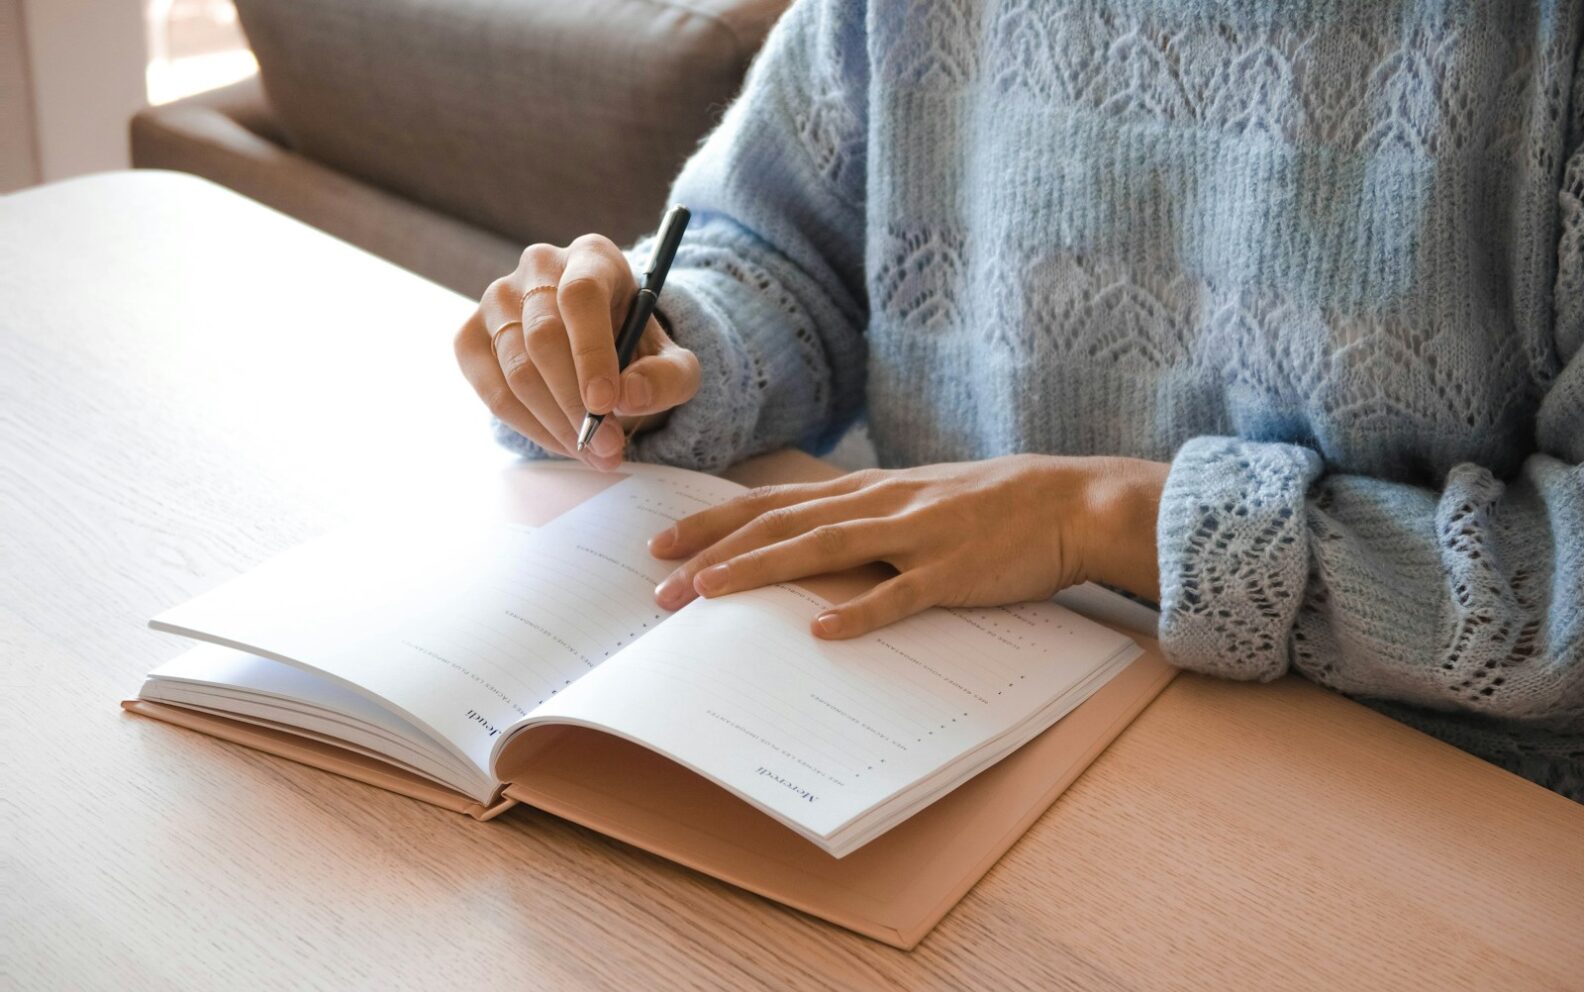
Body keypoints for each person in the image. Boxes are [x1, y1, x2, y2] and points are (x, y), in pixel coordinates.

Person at [454, 0, 1583, 800]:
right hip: (924, 713)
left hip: (1411, 795)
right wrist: (660, 349)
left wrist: (1103, 517)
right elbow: (785, 258)